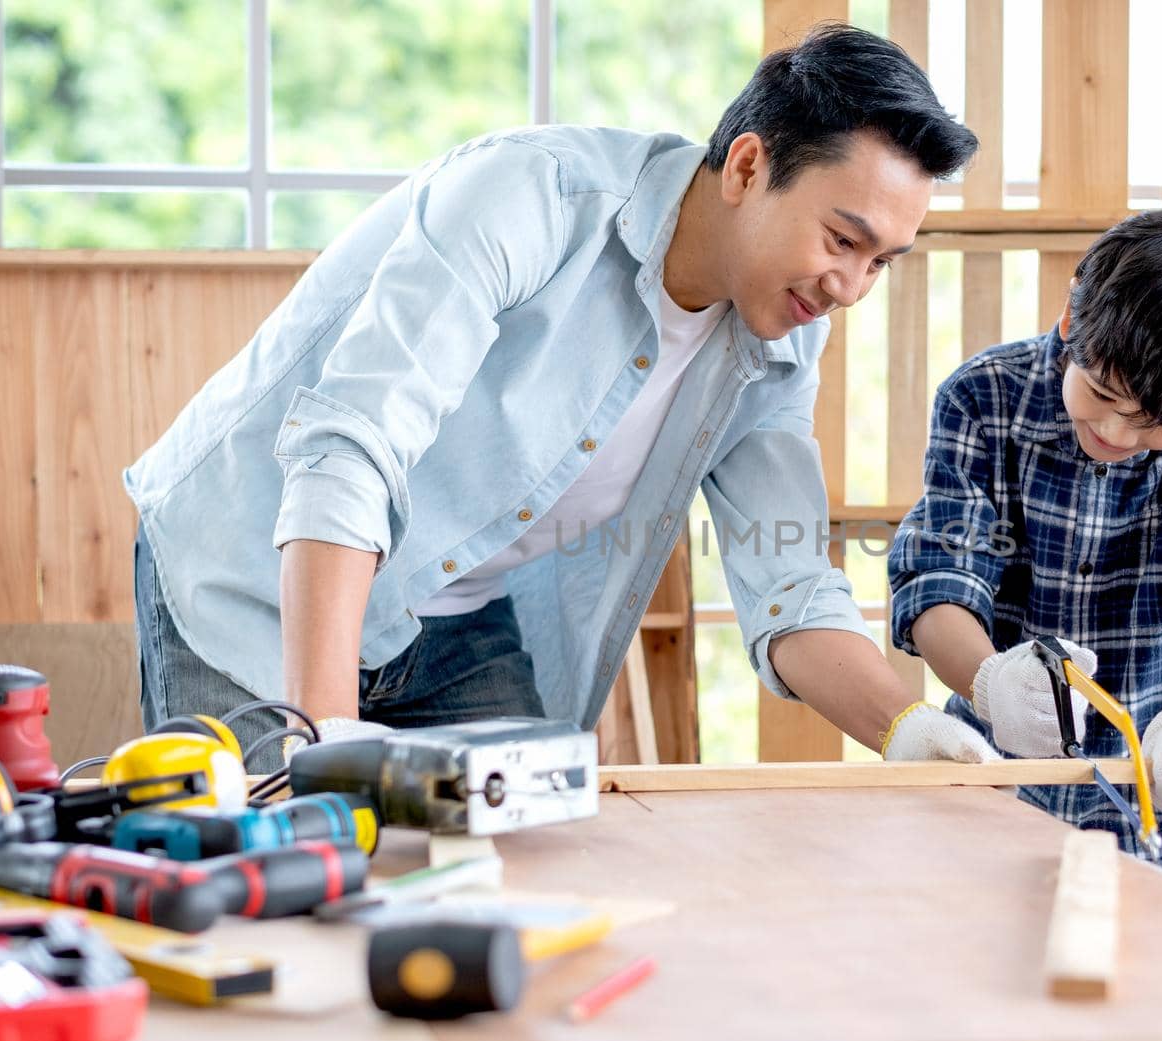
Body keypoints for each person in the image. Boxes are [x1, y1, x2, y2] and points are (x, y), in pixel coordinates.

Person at [126, 24, 1000, 770]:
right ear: (745, 166)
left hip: (453, 622)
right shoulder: (530, 199)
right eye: (843, 240)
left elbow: (792, 584)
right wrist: (326, 750)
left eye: (881, 262)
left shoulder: (780, 336)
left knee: (532, 859)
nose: (851, 286)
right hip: (257, 578)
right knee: (288, 875)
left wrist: (909, 728)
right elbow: (346, 451)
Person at [888, 207, 1162, 884]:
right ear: (1071, 316)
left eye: (1154, 425)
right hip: (988, 788)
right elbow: (940, 578)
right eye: (1102, 392)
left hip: (1156, 802)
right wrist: (989, 683)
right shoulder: (982, 398)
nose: (1114, 429)